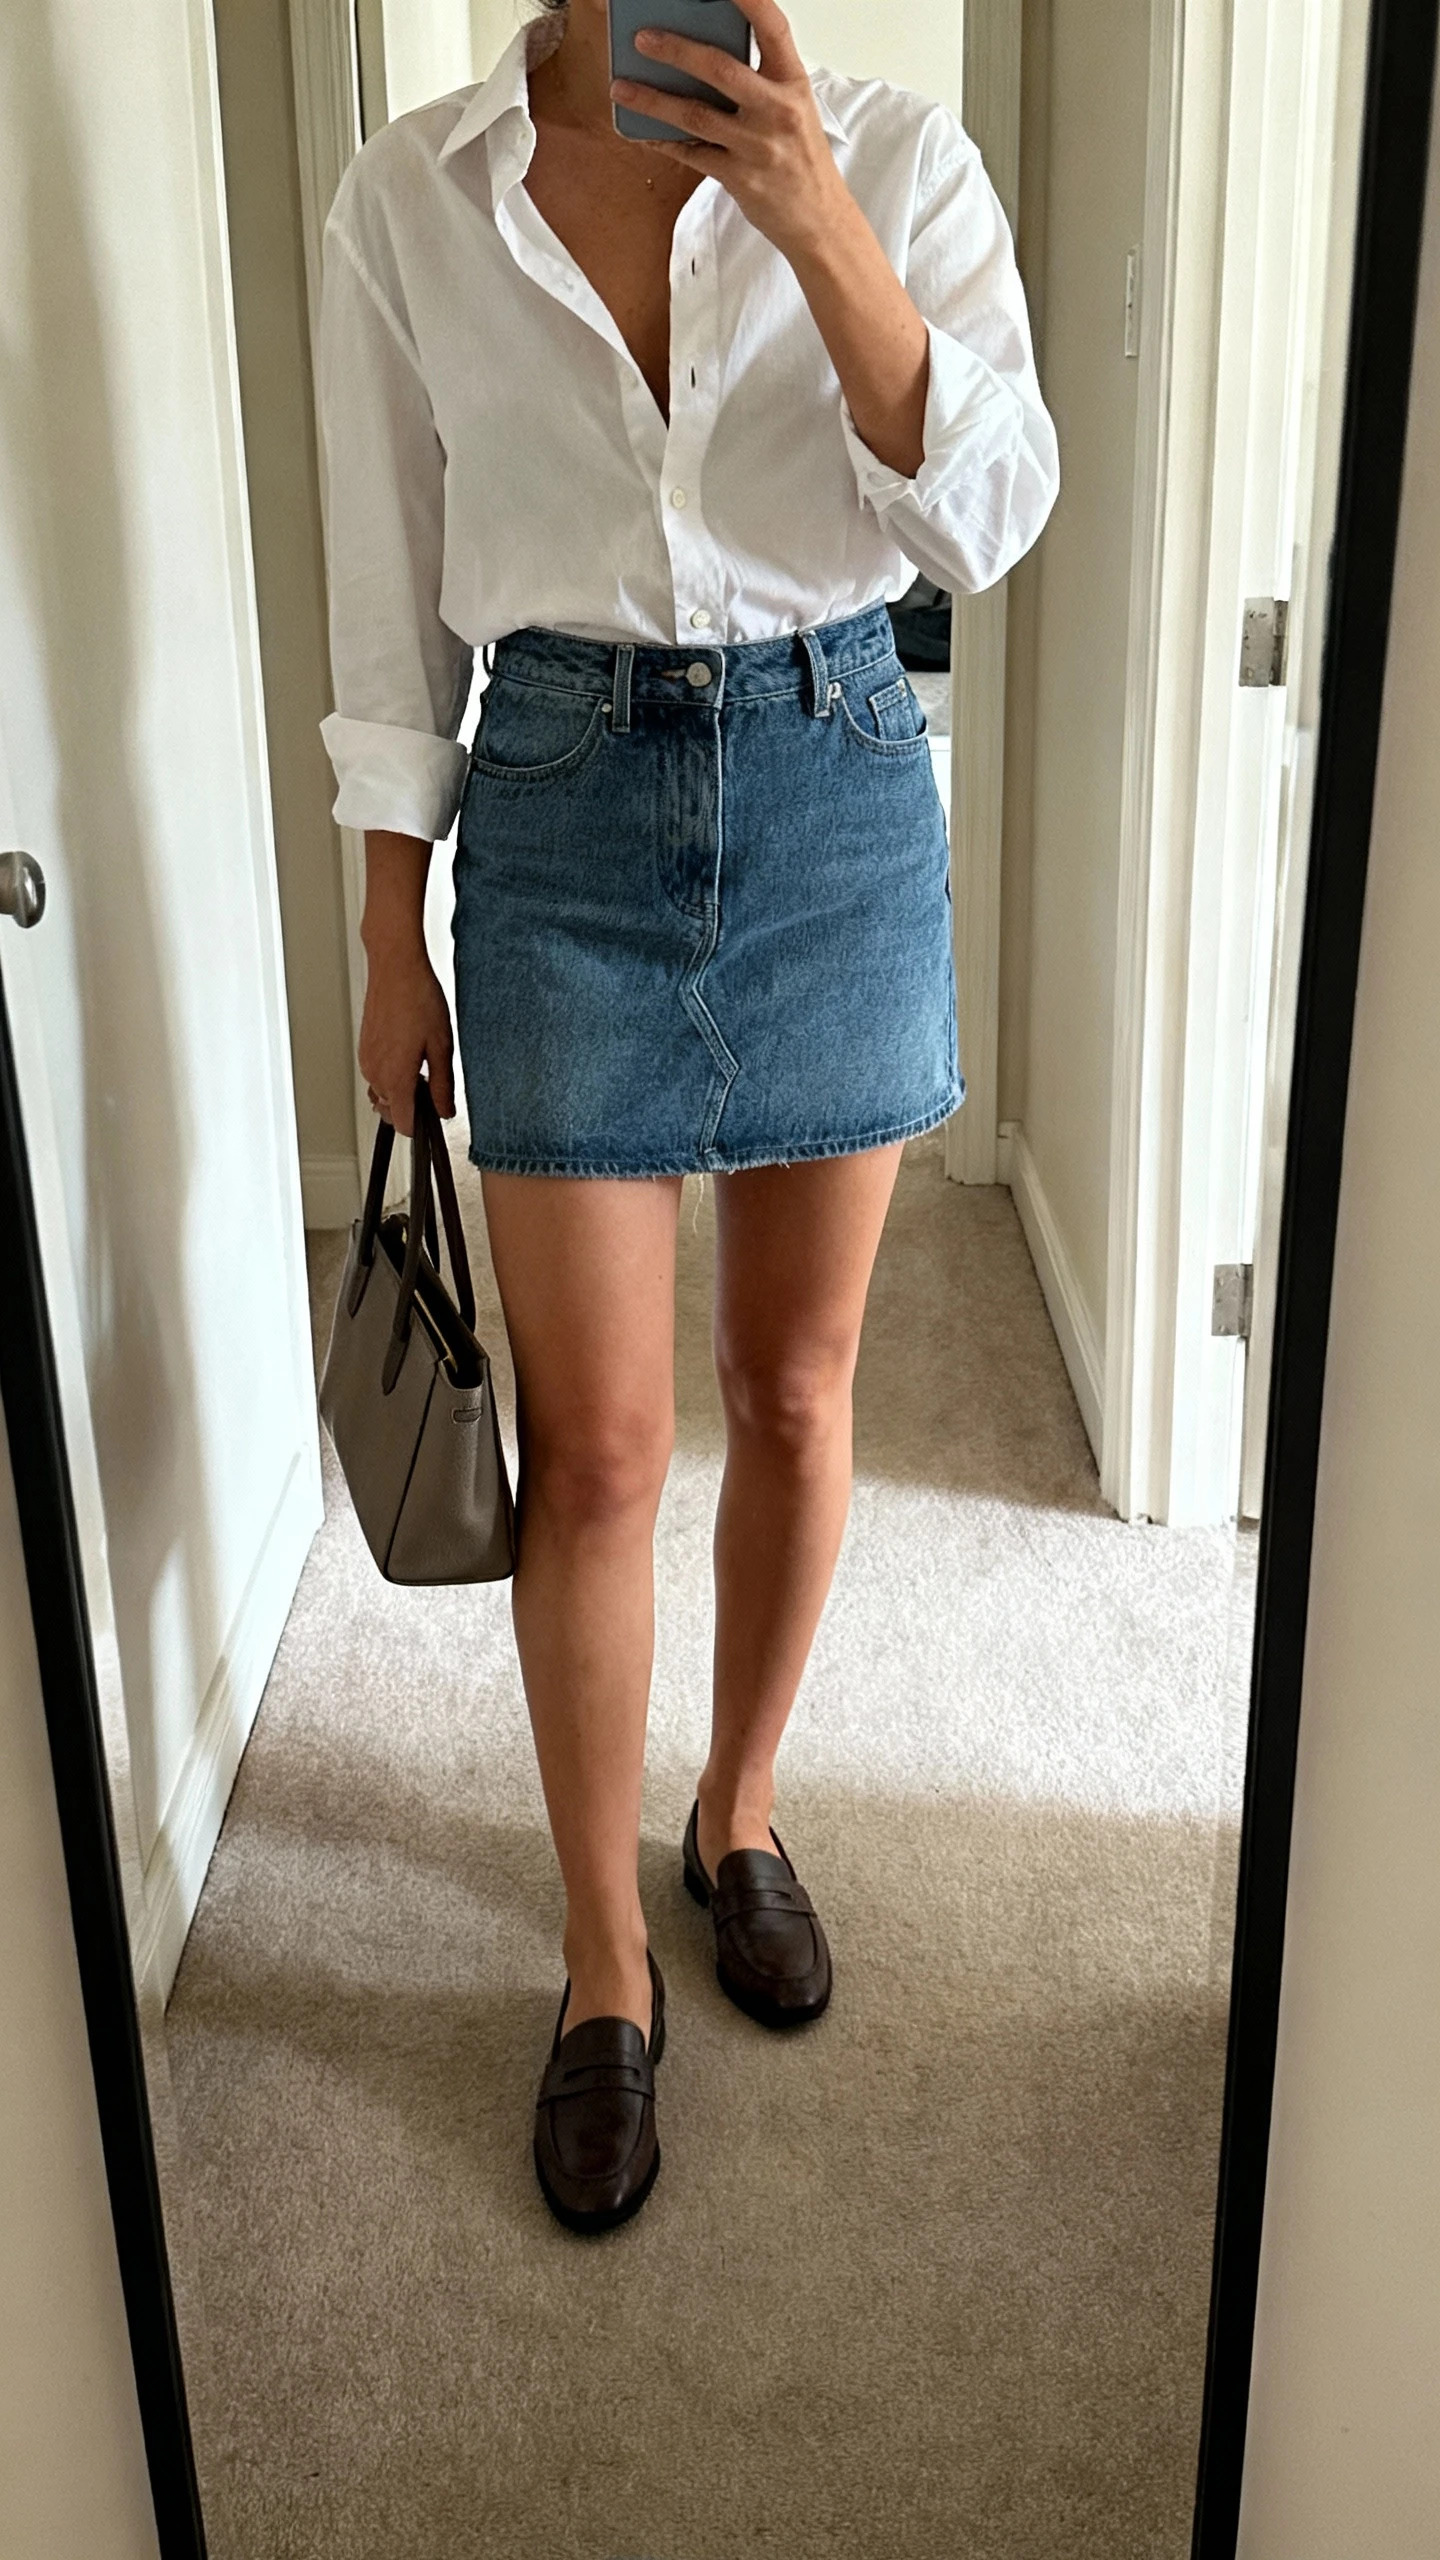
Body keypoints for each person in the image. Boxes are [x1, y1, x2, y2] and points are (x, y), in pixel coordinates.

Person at [318, 0, 1058, 2235]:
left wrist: (820, 222)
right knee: (608, 1445)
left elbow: (994, 509)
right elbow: (385, 607)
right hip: (549, 814)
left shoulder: (904, 158)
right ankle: (604, 1955)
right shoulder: (407, 199)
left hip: (836, 781)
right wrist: (383, 937)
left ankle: (736, 1804)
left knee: (800, 1379)